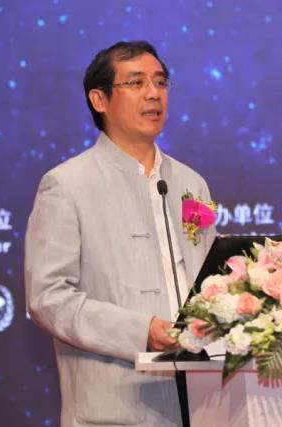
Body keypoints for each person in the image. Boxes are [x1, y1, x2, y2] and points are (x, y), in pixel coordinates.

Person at [25, 41, 215, 427]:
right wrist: (141, 331)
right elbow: (48, 298)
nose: (153, 93)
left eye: (160, 82)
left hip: (204, 401)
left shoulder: (192, 183)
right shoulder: (66, 185)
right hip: (116, 406)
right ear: (99, 99)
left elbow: (211, 281)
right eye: (136, 83)